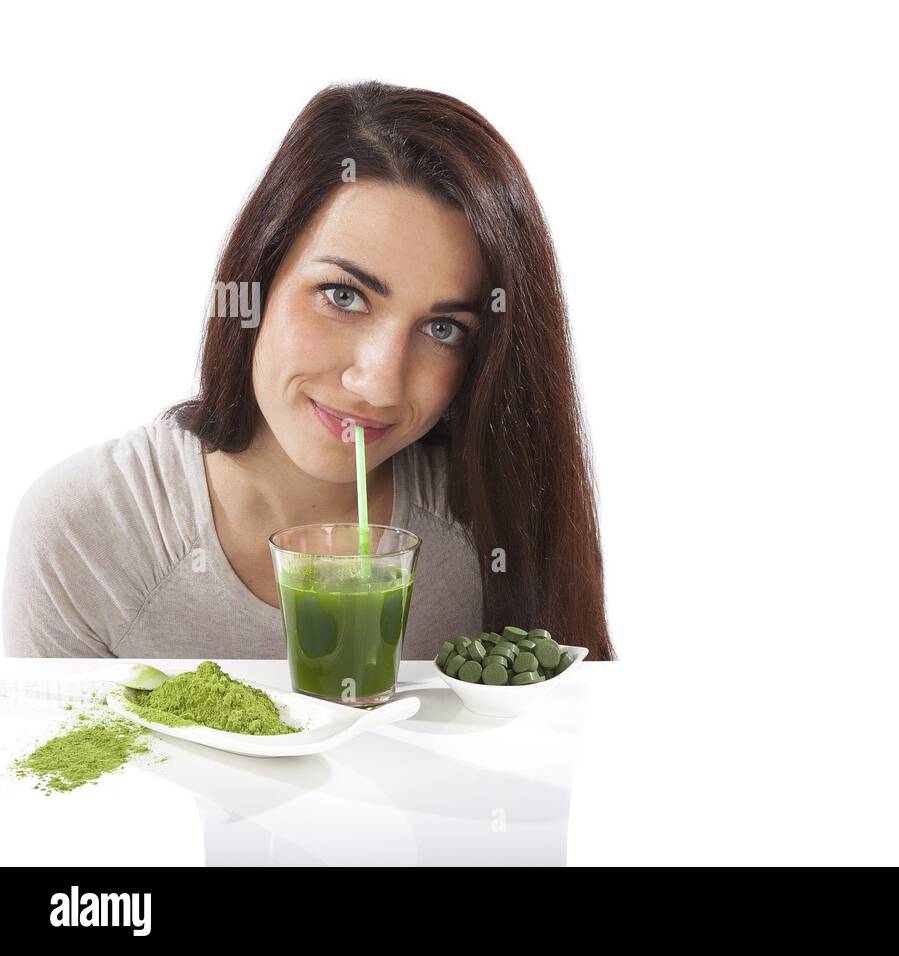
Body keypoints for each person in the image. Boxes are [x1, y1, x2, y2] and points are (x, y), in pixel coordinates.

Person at [2, 81, 614, 661]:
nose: (377, 382)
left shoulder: (487, 522)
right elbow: (56, 765)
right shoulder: (88, 528)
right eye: (344, 296)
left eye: (443, 329)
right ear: (258, 280)